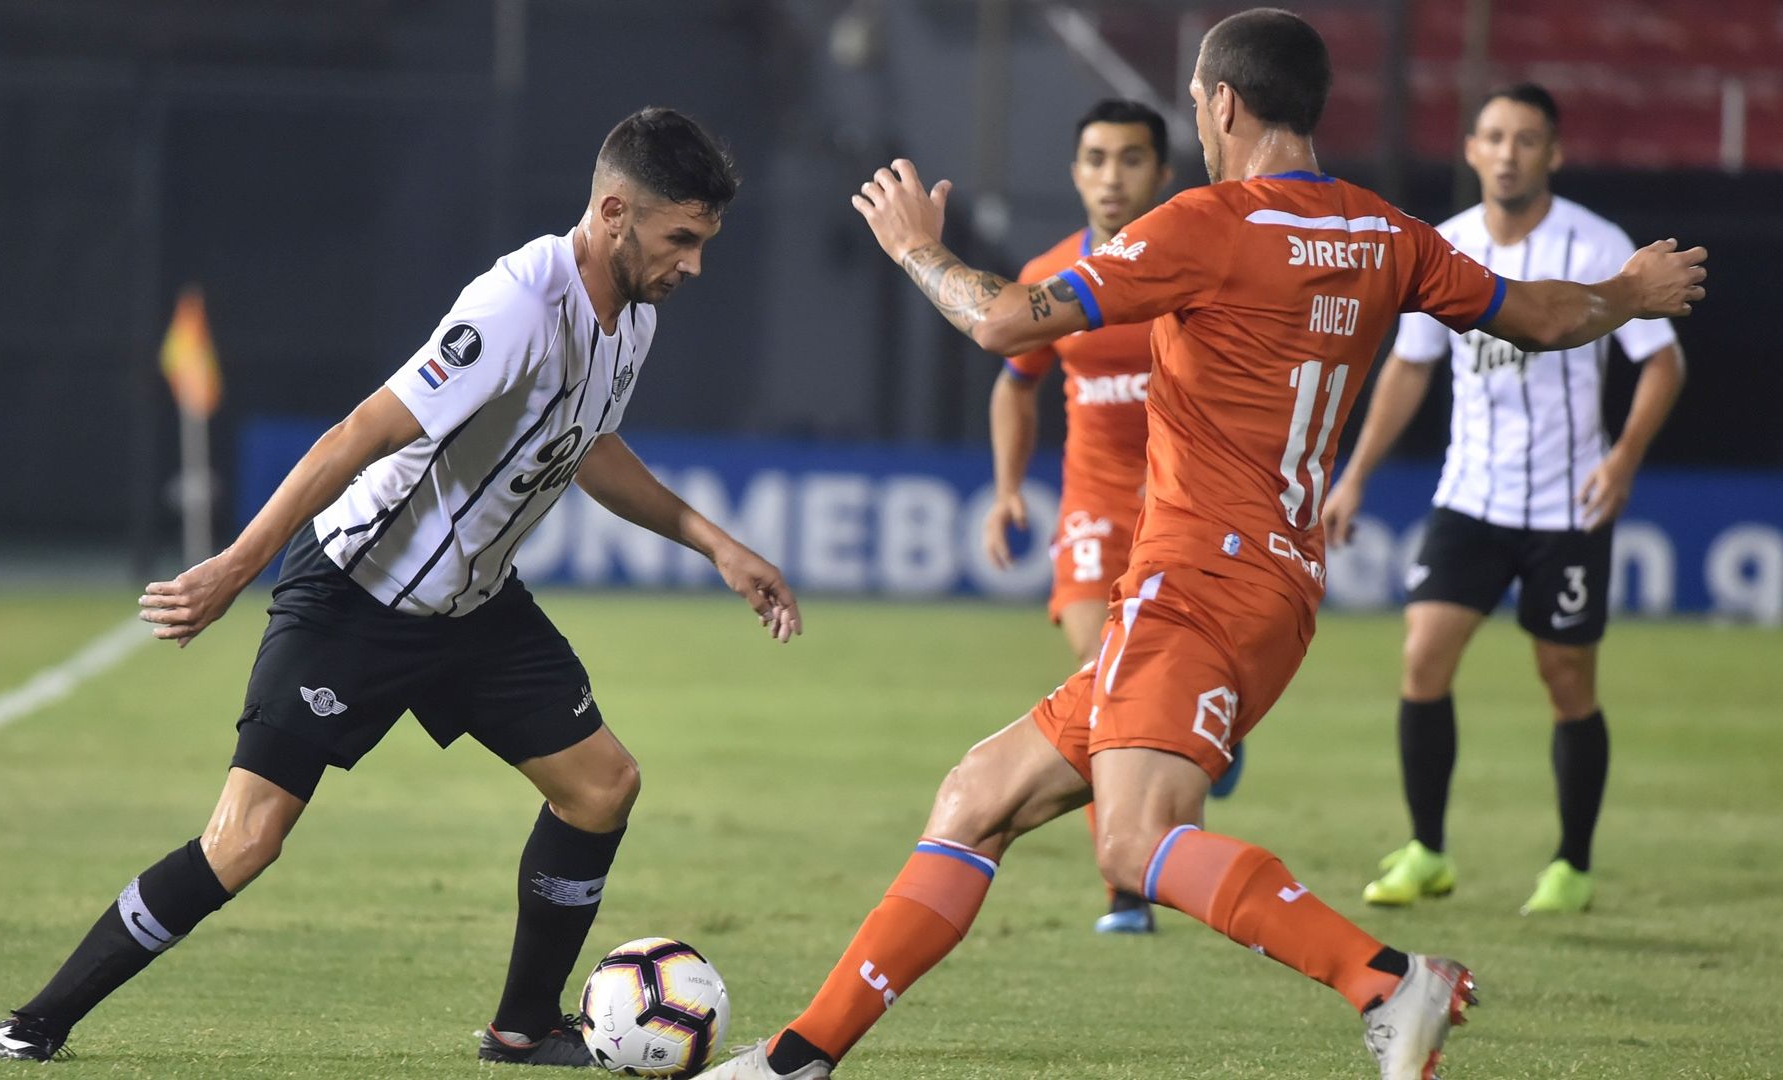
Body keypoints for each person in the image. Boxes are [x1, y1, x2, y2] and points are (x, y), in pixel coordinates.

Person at [705, 9, 1705, 1080]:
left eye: (1193, 97)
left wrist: (914, 248)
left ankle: (1383, 978)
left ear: (1223, 102)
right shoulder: (1390, 234)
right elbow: (1543, 317)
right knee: (976, 796)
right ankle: (799, 1059)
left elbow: (1005, 322)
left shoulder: (1206, 224)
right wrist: (1629, 295)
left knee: (1131, 844)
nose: (1194, 111)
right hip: (1275, 593)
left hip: (1189, 583)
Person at [0, 106, 802, 1066]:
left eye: (702, 242)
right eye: (682, 239)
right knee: (245, 840)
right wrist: (235, 570)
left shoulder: (632, 319)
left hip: (478, 611)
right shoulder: (514, 308)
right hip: (355, 600)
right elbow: (358, 434)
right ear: (616, 213)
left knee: (603, 786)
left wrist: (714, 543)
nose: (693, 264)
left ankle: (524, 1029)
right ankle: (35, 1022)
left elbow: (589, 447)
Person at [1320, 84, 1685, 916]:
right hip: (1470, 497)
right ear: (1472, 150)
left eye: (1527, 138)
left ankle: (1572, 863)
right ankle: (1427, 850)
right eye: (1494, 136)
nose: (1509, 151)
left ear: (1552, 153)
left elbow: (1662, 360)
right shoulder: (1443, 246)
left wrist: (1624, 458)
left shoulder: (1596, 244)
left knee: (1565, 680)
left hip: (1567, 505)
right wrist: (1357, 476)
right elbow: (1409, 368)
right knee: (1422, 660)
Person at [983, 98, 1240, 937]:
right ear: (1075, 170)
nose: (1111, 176)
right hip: (1096, 507)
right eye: (1095, 158)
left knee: (1145, 691)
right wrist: (1009, 487)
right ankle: (1127, 891)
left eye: (1131, 159)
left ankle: (1179, 806)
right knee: (1110, 676)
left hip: (1189, 506)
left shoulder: (1193, 264)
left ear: (1162, 173)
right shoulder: (1055, 275)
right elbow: (1015, 383)